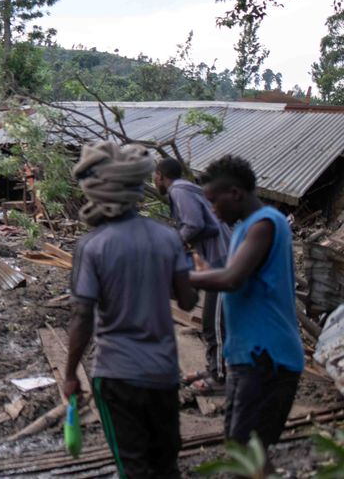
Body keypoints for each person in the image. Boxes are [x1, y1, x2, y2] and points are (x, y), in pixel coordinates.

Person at [64, 141, 197, 479]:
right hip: (164, 373)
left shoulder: (92, 246)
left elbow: (82, 317)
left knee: (133, 467)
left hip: (118, 373)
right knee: (166, 465)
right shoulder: (168, 238)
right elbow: (187, 302)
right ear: (138, 189)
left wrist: (69, 374)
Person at [191, 154, 303, 449]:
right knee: (240, 448)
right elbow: (237, 274)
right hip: (247, 357)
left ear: (235, 193)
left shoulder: (265, 224)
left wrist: (180, 277)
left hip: (268, 357)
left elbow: (232, 279)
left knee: (248, 452)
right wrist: (206, 273)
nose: (212, 212)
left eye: (214, 202)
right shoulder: (244, 227)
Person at [155, 157, 230, 389]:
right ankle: (215, 368)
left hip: (223, 262)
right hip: (220, 258)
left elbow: (194, 224)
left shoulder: (178, 190)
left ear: (160, 175)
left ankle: (218, 378)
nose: (154, 180)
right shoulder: (189, 189)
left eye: (154, 176)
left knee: (214, 323)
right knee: (216, 321)